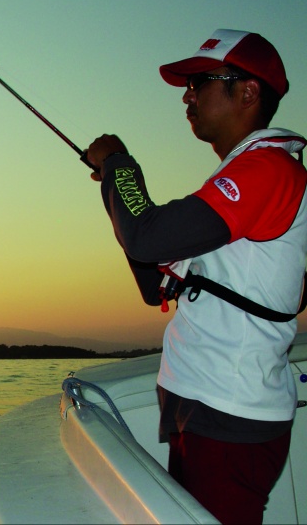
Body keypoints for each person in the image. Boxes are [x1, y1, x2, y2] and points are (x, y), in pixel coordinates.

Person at [85, 29, 307, 525]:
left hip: (229, 414)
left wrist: (119, 164)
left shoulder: (267, 171)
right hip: (206, 407)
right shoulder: (247, 175)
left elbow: (147, 238)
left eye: (201, 81)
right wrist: (115, 189)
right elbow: (154, 276)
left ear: (247, 92)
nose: (187, 95)